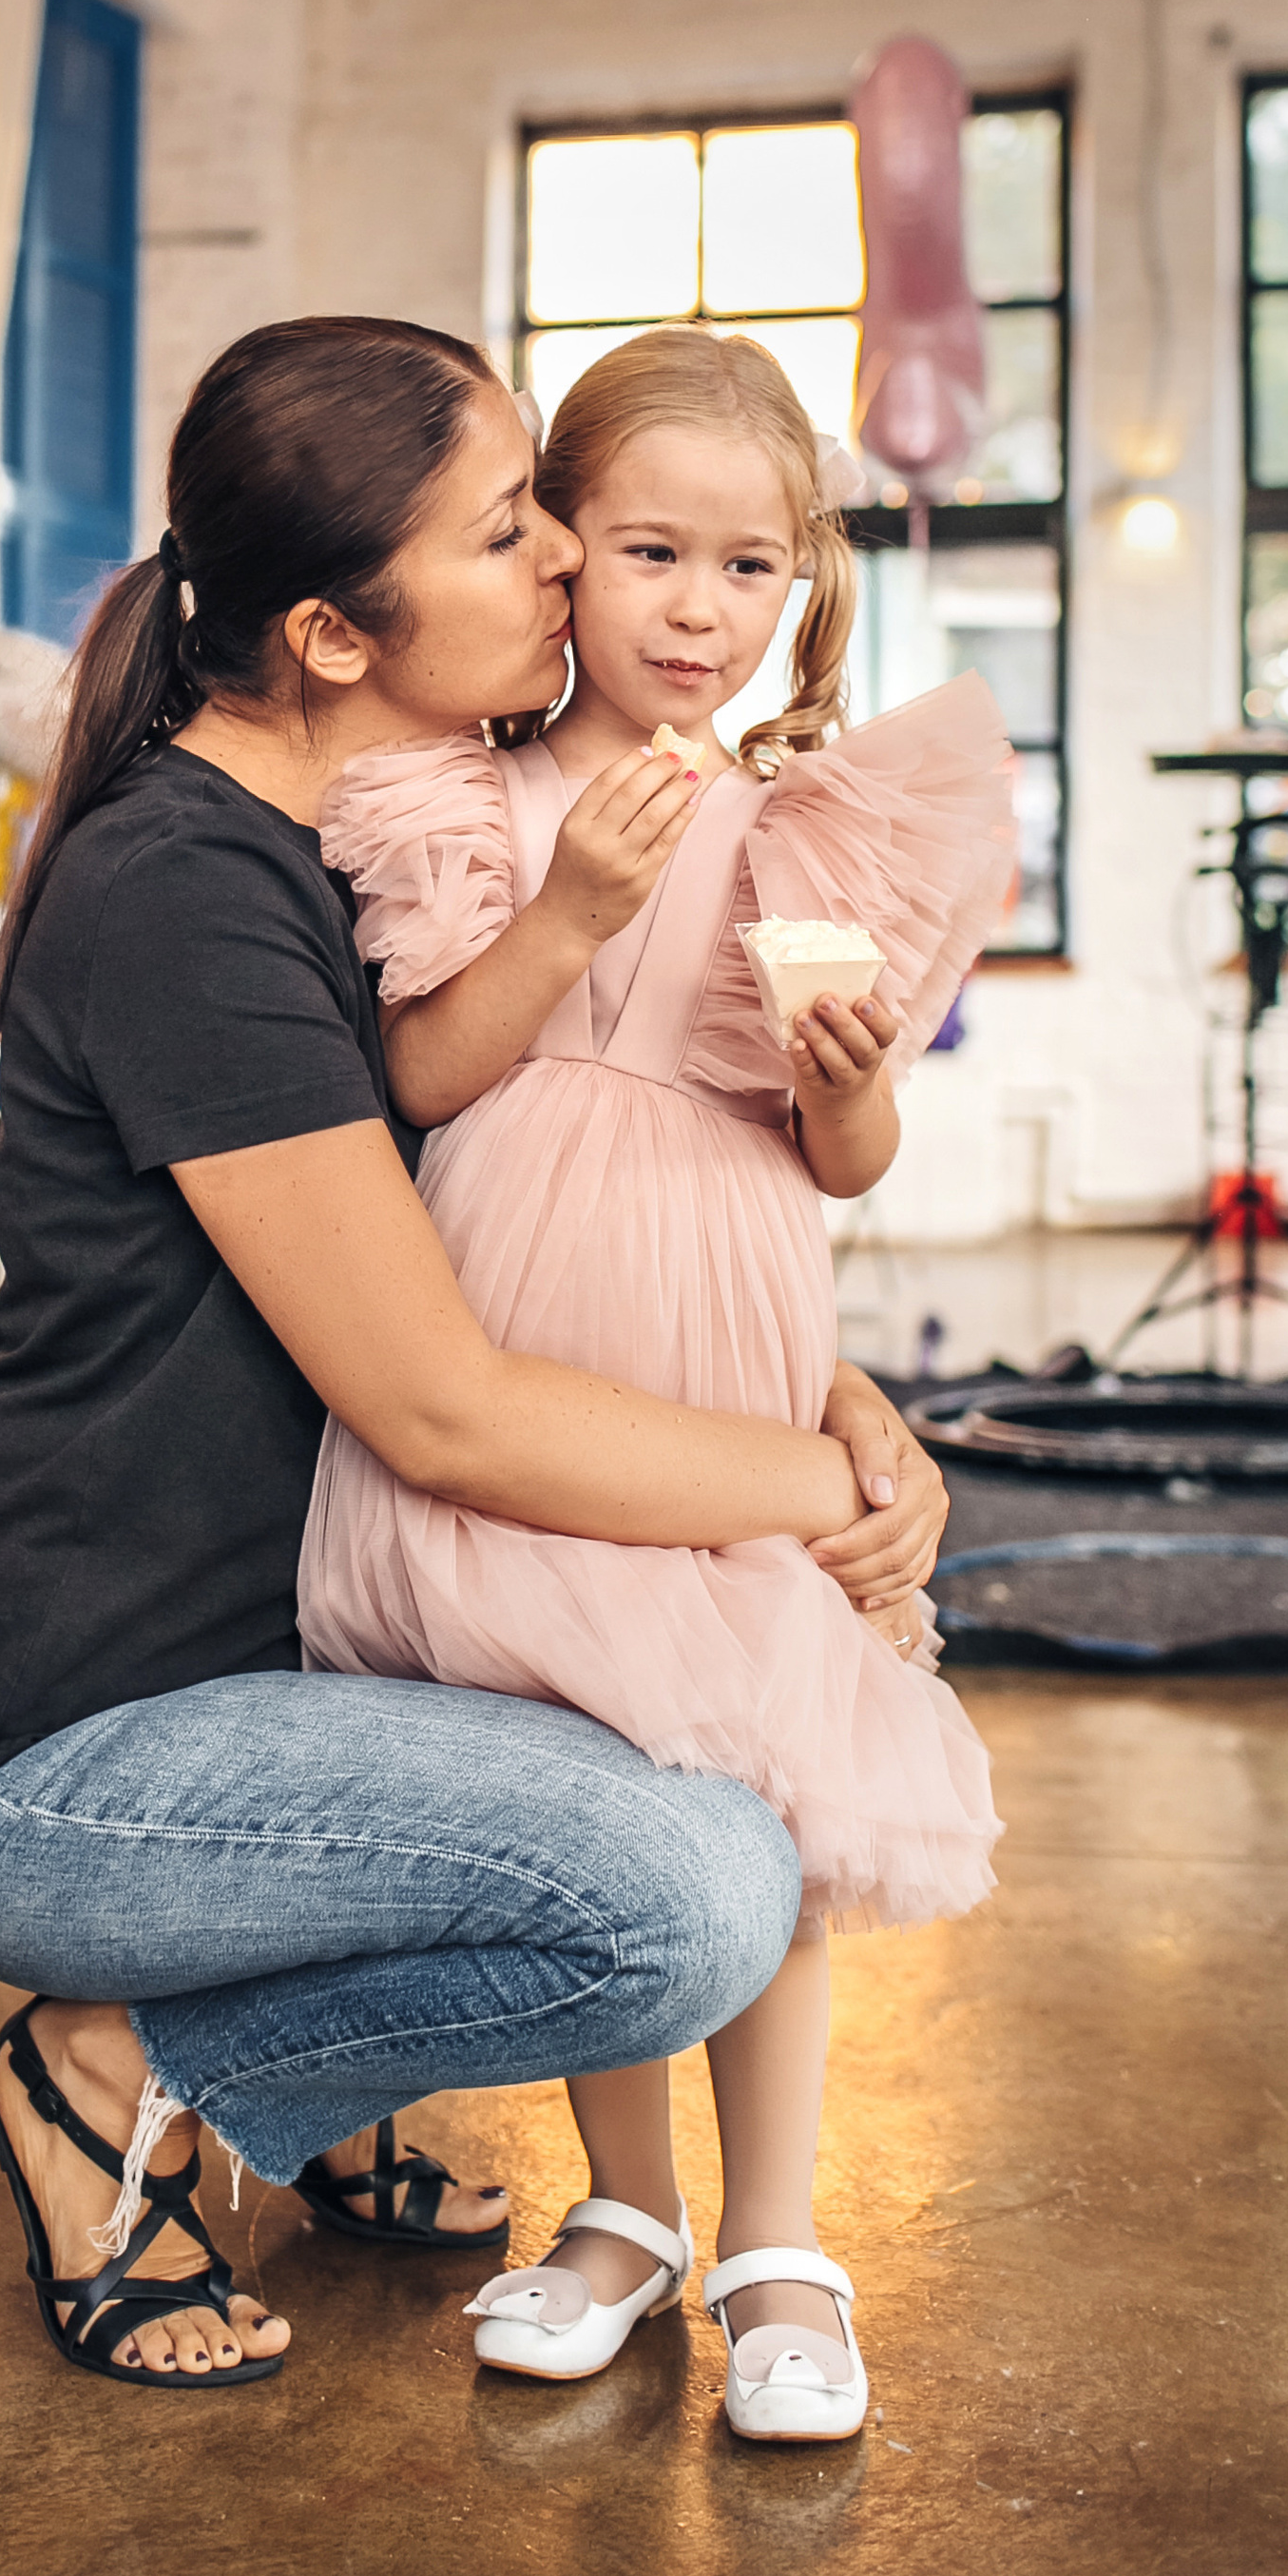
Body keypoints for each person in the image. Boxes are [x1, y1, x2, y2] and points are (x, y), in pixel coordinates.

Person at [0, 316, 952, 2392]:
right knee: (689, 1894)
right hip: (62, 1737)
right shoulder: (192, 897)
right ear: (333, 632)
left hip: (273, 1657)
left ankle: (322, 2076)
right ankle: (119, 2066)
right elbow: (444, 1403)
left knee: (679, 1756)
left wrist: (816, 1386)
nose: (567, 562)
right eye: (513, 525)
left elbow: (581, 1220)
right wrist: (842, 1490)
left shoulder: (340, 834)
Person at [303, 327, 1010, 2435]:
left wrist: (851, 1085)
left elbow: (839, 1160)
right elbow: (423, 1074)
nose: (699, 610)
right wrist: (572, 907)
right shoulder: (466, 797)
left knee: (759, 1752)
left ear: (799, 582)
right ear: (558, 548)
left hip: (722, 1329)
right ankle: (625, 2205)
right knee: (593, 1761)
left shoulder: (814, 832)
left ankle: (778, 2232)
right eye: (649, 552)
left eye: (748, 566)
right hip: (515, 1332)